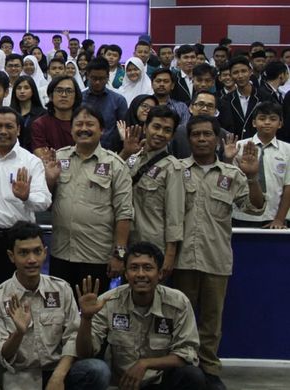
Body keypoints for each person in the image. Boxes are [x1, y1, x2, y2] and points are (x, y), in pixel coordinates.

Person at [175, 115, 265, 390]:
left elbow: (256, 208)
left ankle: (209, 370)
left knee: (212, 321)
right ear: (189, 139)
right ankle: (182, 370)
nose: (202, 139)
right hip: (180, 260)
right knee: (180, 319)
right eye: (196, 134)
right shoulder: (176, 170)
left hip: (216, 258)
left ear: (216, 139)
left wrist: (252, 177)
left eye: (207, 134)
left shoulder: (232, 175)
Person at [72, 242, 205, 390]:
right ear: (126, 274)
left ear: (160, 273)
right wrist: (86, 319)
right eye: (134, 268)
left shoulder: (178, 302)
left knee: (192, 375)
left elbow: (188, 355)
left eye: (148, 268)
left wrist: (145, 364)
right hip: (121, 384)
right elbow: (85, 353)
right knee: (94, 369)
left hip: (160, 383)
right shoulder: (108, 301)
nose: (141, 274)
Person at [44, 105, 133, 295]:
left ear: (102, 130)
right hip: (61, 253)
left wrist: (119, 255)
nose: (84, 128)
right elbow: (44, 201)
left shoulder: (115, 164)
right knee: (58, 314)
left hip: (96, 257)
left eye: (90, 124)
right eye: (79, 124)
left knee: (93, 316)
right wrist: (49, 180)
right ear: (71, 129)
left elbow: (124, 213)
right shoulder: (58, 158)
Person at [0, 221, 82, 389]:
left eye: (37, 252)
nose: (32, 260)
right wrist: (18, 333)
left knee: (96, 370)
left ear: (45, 253)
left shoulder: (61, 289)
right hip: (18, 374)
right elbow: (0, 355)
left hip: (57, 369)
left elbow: (73, 337)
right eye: (23, 253)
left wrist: (58, 375)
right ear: (11, 256)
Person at [0, 106, 51, 295]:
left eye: (9, 126)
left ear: (19, 130)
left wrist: (26, 197)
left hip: (17, 241)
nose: (3, 131)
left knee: (15, 296)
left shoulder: (31, 161)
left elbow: (44, 201)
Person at [118, 106, 185, 279]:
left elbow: (174, 215)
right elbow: (112, 179)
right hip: (125, 243)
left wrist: (170, 255)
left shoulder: (172, 167)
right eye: (156, 127)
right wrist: (125, 152)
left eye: (167, 130)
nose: (160, 133)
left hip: (153, 245)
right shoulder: (132, 158)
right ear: (145, 126)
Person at [231, 102, 289, 228]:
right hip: (241, 216)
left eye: (273, 119)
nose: (267, 122)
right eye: (262, 118)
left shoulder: (287, 150)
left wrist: (279, 219)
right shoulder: (238, 146)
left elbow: (288, 187)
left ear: (280, 124)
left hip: (273, 217)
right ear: (254, 122)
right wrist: (227, 158)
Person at [82, 57, 128, 151]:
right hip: (82, 148)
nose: (97, 82)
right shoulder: (79, 98)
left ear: (108, 77)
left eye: (102, 78)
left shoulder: (118, 100)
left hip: (109, 152)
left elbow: (122, 131)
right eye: (94, 78)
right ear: (87, 76)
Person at [31, 76, 81, 158]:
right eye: (59, 90)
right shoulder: (40, 124)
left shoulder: (83, 124)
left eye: (69, 91)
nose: (64, 95)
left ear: (76, 96)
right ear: (50, 96)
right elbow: (43, 156)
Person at [218, 56, 264, 139]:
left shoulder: (264, 97)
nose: (240, 75)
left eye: (243, 71)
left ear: (250, 72)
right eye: (235, 72)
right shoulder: (226, 100)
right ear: (231, 75)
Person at [9, 76, 46, 149]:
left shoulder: (42, 114)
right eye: (19, 88)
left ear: (33, 90)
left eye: (26, 88)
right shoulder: (9, 113)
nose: (22, 91)